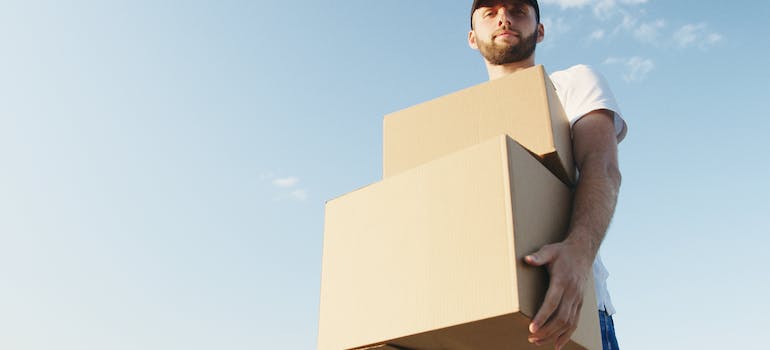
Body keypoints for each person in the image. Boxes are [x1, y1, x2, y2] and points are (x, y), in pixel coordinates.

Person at [467, 1, 628, 349]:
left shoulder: (571, 83)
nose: (504, 18)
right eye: (490, 12)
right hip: (483, 320)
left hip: (571, 311)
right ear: (471, 37)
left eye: (518, 10)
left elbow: (602, 167)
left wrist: (580, 252)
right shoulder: (463, 121)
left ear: (540, 30)